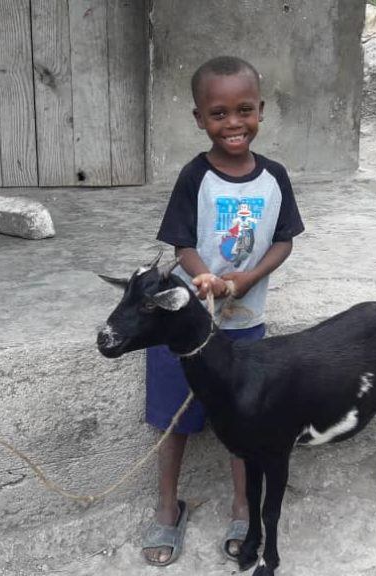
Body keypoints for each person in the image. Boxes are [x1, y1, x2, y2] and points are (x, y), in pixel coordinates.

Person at [143, 55, 304, 566]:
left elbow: (284, 241)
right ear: (199, 119)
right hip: (188, 329)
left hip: (245, 327)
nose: (233, 123)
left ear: (261, 111)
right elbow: (181, 245)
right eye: (218, 114)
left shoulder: (274, 177)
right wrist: (204, 277)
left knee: (245, 423)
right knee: (173, 419)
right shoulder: (195, 176)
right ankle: (168, 506)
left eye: (244, 110)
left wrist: (248, 279)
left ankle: (242, 505)